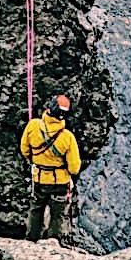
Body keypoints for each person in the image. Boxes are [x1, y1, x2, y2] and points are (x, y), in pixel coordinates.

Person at [21, 94, 82, 242]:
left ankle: (31, 240)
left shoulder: (33, 125)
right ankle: (53, 243)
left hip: (39, 178)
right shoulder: (67, 137)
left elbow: (24, 149)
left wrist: (36, 162)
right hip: (60, 183)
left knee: (36, 210)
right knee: (58, 214)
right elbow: (74, 167)